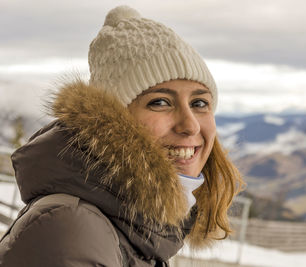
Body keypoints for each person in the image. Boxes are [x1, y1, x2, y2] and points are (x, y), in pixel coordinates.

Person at [0, 5, 244, 267]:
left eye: (199, 103)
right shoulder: (71, 230)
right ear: (114, 121)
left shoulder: (131, 228)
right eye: (160, 102)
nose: (191, 126)